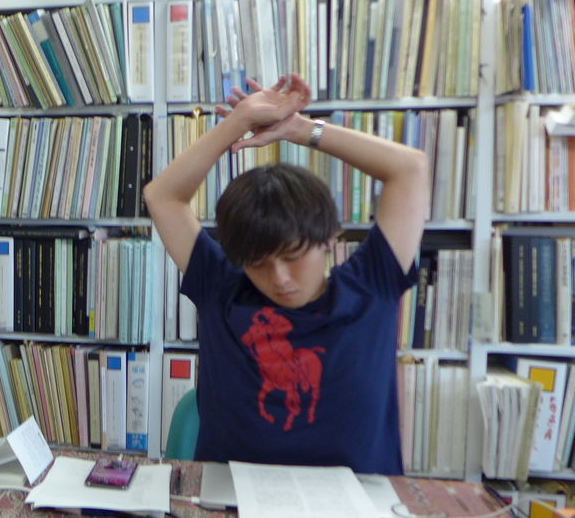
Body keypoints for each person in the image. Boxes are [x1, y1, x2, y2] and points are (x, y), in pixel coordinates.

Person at [142, 74, 428, 474]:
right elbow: (161, 196)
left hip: (356, 501)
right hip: (232, 497)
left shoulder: (371, 285)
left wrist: (296, 129)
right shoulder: (222, 290)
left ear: (329, 239)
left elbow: (410, 168)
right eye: (257, 263)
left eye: (293, 257)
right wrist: (239, 121)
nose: (279, 278)